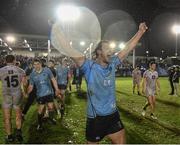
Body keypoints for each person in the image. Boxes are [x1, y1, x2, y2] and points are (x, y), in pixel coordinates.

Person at [56, 22, 147, 143]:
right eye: (107, 49)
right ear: (99, 52)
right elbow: (68, 48)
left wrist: (140, 32)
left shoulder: (113, 62)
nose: (111, 51)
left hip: (113, 115)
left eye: (112, 49)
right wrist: (57, 29)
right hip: (96, 119)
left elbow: (127, 48)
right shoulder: (88, 66)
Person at [27, 58, 60, 130]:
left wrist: (57, 89)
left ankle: (51, 118)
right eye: (34, 65)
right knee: (40, 110)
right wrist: (27, 93)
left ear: (41, 64)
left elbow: (53, 80)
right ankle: (39, 124)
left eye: (38, 64)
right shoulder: (32, 74)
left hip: (49, 92)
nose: (36, 66)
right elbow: (31, 86)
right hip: (40, 95)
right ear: (33, 65)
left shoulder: (47, 70)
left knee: (51, 107)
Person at [0, 55, 26, 143]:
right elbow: (24, 84)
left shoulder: (1, 71)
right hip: (17, 94)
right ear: (14, 60)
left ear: (5, 61)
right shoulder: (21, 70)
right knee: (18, 115)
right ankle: (19, 131)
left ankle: (10, 136)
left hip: (6, 94)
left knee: (7, 118)